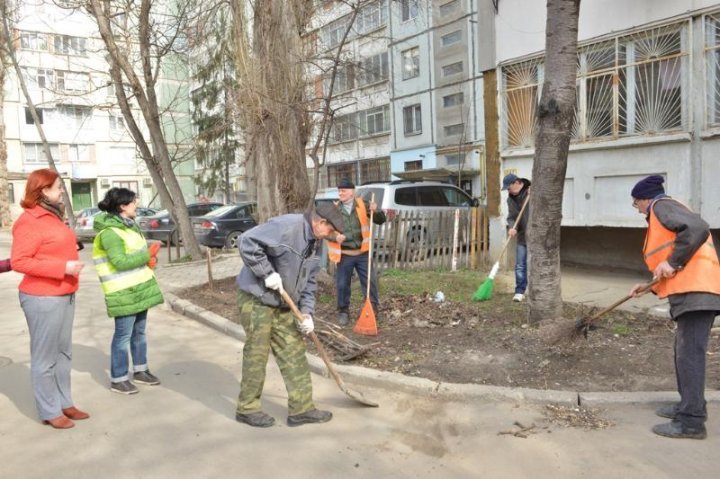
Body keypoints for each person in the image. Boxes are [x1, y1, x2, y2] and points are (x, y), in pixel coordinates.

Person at [234, 204, 345, 428]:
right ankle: (247, 408)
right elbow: (246, 241)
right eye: (331, 230)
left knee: (294, 353)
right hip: (257, 300)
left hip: (285, 304)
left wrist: (307, 313)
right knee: (257, 354)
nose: (332, 235)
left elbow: (310, 283)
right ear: (320, 223)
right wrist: (266, 273)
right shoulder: (286, 226)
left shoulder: (316, 245)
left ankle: (301, 409)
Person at [629, 175, 720, 440]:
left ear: (646, 199)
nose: (637, 209)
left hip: (698, 291)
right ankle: (687, 406)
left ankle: (692, 422)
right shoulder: (662, 212)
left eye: (636, 204)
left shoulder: (661, 206)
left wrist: (674, 263)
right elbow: (667, 264)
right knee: (684, 353)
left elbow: (697, 228)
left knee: (689, 355)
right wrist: (647, 286)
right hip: (692, 291)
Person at [10, 168, 88, 429]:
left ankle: (65, 402)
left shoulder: (54, 216)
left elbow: (50, 248)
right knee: (45, 357)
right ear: (43, 190)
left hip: (65, 293)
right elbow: (20, 261)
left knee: (64, 353)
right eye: (57, 187)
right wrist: (61, 268)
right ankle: (49, 410)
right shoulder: (29, 220)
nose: (61, 191)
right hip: (42, 297)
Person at [93, 188, 164, 395]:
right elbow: (120, 262)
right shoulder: (109, 233)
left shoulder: (130, 227)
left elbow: (138, 255)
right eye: (134, 202)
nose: (137, 204)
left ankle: (140, 370)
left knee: (139, 332)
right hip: (122, 291)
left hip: (140, 287)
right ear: (122, 206)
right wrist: (146, 255)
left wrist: (150, 260)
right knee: (123, 335)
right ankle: (119, 378)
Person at [327, 178, 386, 326]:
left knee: (369, 282)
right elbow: (326, 231)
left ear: (352, 192)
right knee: (342, 284)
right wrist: (335, 236)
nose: (340, 193)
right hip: (344, 255)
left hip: (362, 253)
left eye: (344, 191)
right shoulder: (334, 209)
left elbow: (380, 220)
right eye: (339, 191)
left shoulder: (362, 204)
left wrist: (376, 210)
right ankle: (343, 312)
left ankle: (372, 309)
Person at [501, 173, 531, 302]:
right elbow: (512, 216)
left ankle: (537, 291)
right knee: (520, 265)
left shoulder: (532, 191)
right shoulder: (510, 199)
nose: (508, 190)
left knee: (535, 265)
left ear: (517, 183)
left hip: (537, 236)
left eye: (509, 187)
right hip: (522, 236)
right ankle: (519, 291)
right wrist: (512, 227)